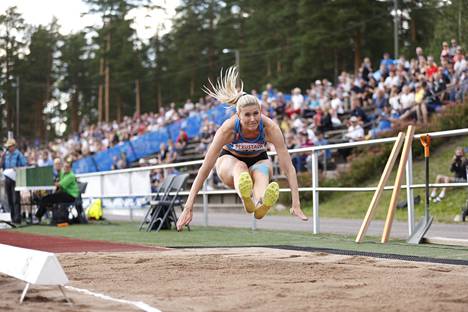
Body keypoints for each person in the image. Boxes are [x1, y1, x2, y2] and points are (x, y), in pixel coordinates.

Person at [176, 67, 308, 231]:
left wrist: (296, 204)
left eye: (256, 113)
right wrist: (189, 206)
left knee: (263, 170)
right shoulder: (228, 129)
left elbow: (288, 167)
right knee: (241, 167)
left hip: (258, 158)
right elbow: (205, 168)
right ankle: (246, 199)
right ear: (238, 115)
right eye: (247, 115)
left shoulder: (270, 128)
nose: (253, 119)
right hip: (229, 164)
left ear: (261, 112)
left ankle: (260, 206)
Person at [0, 139, 27, 224]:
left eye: (9, 146)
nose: (8, 148)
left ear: (13, 146)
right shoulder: (6, 155)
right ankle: (12, 218)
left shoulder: (18, 154)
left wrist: (17, 168)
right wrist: (2, 158)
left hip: (16, 178)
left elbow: (24, 164)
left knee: (16, 199)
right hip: (7, 177)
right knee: (9, 198)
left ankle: (17, 218)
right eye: (7, 147)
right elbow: (2, 166)